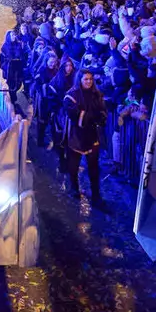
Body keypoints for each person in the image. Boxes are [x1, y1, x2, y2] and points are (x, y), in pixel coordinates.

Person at [61, 70, 107, 208]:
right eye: (85, 79)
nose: (88, 82)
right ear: (79, 80)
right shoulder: (71, 96)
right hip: (75, 135)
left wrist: (96, 117)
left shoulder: (96, 95)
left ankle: (96, 196)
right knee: (73, 166)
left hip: (92, 135)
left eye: (90, 79)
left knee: (94, 168)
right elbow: (74, 115)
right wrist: (92, 116)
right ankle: (74, 188)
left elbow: (103, 112)